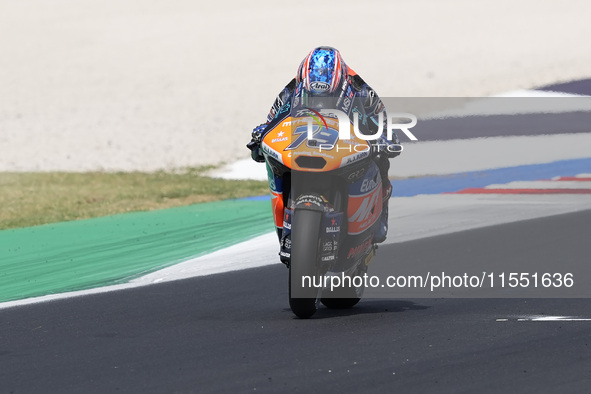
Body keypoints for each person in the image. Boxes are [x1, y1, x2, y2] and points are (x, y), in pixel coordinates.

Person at [247, 46, 401, 243]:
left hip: (346, 138)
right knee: (268, 156)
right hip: (305, 140)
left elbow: (381, 119)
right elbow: (273, 120)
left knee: (382, 159)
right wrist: (261, 135)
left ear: (339, 82)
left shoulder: (361, 90)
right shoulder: (292, 89)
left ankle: (380, 215)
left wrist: (384, 137)